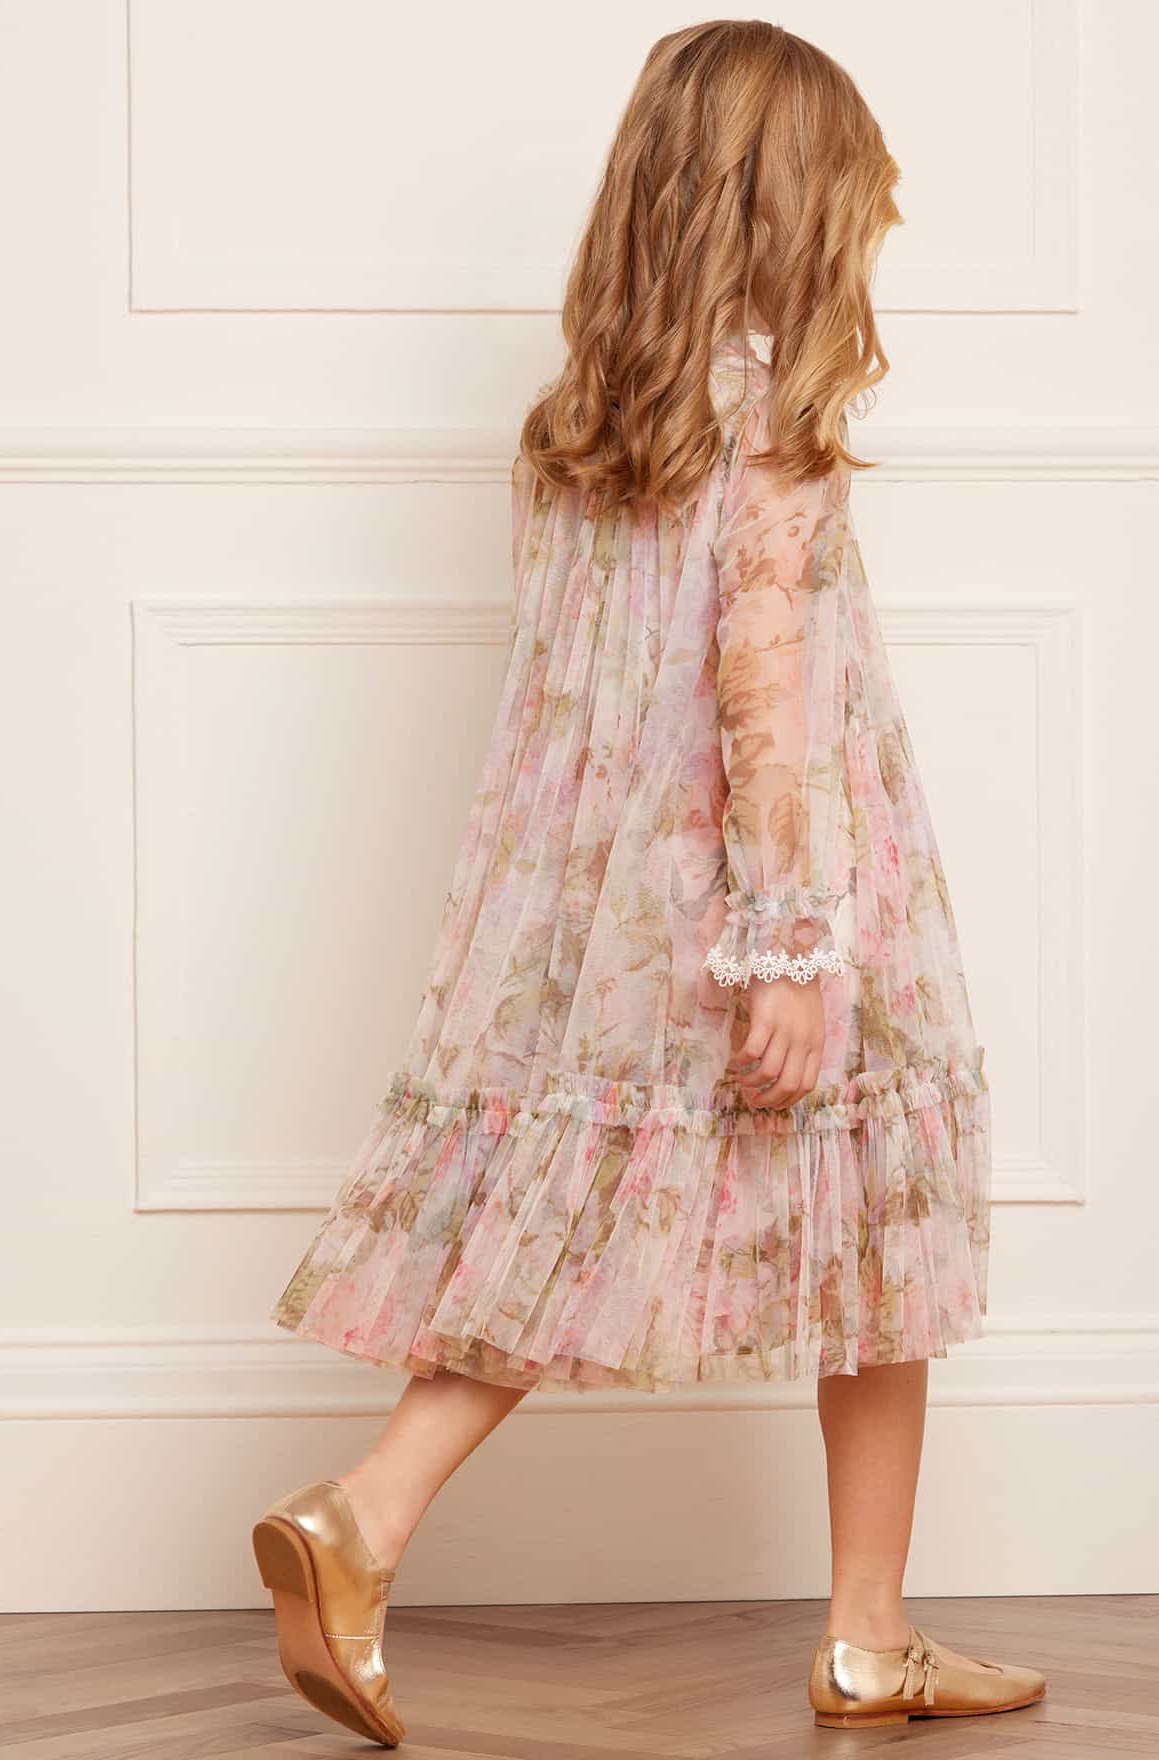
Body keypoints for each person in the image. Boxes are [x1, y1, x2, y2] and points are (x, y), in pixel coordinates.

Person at [252, 18, 1046, 1743]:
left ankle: (381, 1518)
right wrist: (791, 943)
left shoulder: (580, 427)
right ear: (790, 210)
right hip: (778, 886)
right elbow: (761, 690)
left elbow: (584, 695)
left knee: (588, 1213)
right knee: (881, 1224)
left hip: (603, 911)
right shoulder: (774, 428)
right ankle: (850, 1632)